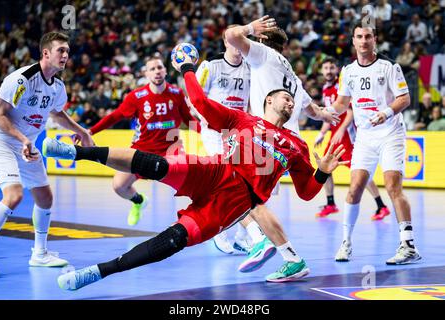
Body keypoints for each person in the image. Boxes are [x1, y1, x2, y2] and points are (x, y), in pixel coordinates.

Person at [45, 52, 347, 290]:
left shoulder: (297, 145)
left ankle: (98, 272)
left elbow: (307, 193)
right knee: (158, 165)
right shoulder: (244, 119)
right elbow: (201, 102)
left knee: (174, 240)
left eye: (293, 100)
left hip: (236, 201)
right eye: (285, 96)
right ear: (269, 100)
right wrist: (188, 67)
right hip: (217, 171)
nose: (290, 101)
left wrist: (321, 172)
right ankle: (76, 152)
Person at [224, 16, 340, 280]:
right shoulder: (293, 76)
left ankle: (261, 242)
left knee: (234, 188)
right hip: (291, 144)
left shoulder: (263, 55)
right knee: (254, 198)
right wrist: (324, 115)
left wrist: (248, 29)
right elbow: (312, 110)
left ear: (263, 39)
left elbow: (231, 36)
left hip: (268, 138)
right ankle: (281, 253)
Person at [0, 31, 94, 275]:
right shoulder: (23, 79)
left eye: (67, 52)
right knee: (14, 195)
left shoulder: (58, 87)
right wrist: (22, 139)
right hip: (3, 142)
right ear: (46, 53)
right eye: (61, 50)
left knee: (45, 198)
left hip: (27, 146)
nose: (65, 56)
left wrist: (82, 131)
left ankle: (39, 254)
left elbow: (57, 113)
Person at [331, 21, 421, 264]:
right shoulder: (348, 71)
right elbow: (341, 103)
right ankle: (346, 243)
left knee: (392, 186)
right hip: (365, 138)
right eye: (359, 36)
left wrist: (386, 113)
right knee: (354, 188)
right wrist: (322, 111)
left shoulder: (389, 66)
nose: (363, 41)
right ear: (353, 41)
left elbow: (404, 98)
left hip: (391, 133)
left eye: (368, 36)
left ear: (374, 40)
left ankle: (408, 245)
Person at [88, 55, 200, 226]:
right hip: (142, 149)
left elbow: (189, 119)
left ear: (165, 71)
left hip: (171, 150)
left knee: (191, 183)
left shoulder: (177, 93)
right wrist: (90, 131)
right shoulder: (136, 97)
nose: (157, 71)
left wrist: (209, 131)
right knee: (119, 186)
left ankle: (201, 217)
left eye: (160, 68)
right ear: (146, 74)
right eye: (152, 69)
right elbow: (114, 116)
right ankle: (139, 201)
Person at [195, 27, 266, 255]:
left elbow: (252, 103)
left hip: (239, 132)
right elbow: (194, 98)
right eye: (232, 41)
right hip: (215, 132)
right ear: (225, 42)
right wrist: (207, 120)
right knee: (229, 179)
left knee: (246, 183)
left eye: (240, 41)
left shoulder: (250, 69)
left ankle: (238, 236)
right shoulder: (210, 66)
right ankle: (226, 234)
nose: (237, 46)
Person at [314, 57, 391, 220]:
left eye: (331, 68)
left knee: (360, 173)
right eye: (326, 68)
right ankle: (330, 203)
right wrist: (322, 134)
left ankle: (381, 206)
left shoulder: (340, 86)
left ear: (337, 70)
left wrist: (341, 130)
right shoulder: (325, 89)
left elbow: (349, 111)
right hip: (336, 137)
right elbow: (329, 116)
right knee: (324, 167)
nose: (328, 71)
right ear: (322, 71)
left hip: (347, 137)